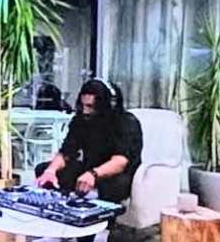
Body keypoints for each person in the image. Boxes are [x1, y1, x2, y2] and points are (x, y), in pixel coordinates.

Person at [33, 76, 142, 213]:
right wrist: (51, 171)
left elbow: (120, 161)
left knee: (115, 185)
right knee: (43, 169)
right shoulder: (81, 120)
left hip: (117, 173)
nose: (85, 111)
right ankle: (59, 211)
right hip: (90, 168)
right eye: (83, 105)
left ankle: (103, 225)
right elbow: (67, 151)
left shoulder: (126, 122)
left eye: (90, 106)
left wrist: (93, 174)